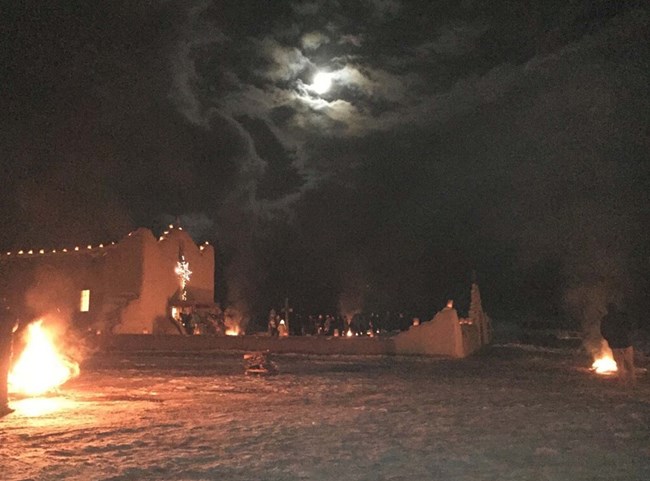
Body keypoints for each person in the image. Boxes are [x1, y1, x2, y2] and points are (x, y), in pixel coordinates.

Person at [600, 302, 636, 388]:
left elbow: (603, 331)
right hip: (627, 343)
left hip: (615, 344)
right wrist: (629, 336)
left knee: (619, 364)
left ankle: (622, 383)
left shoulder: (606, 318)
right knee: (629, 363)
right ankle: (633, 382)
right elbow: (631, 326)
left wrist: (609, 339)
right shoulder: (624, 316)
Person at [1, 297, 18, 417]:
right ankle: (2, 405)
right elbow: (14, 327)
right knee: (2, 379)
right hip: (4, 352)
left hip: (4, 351)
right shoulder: (9, 315)